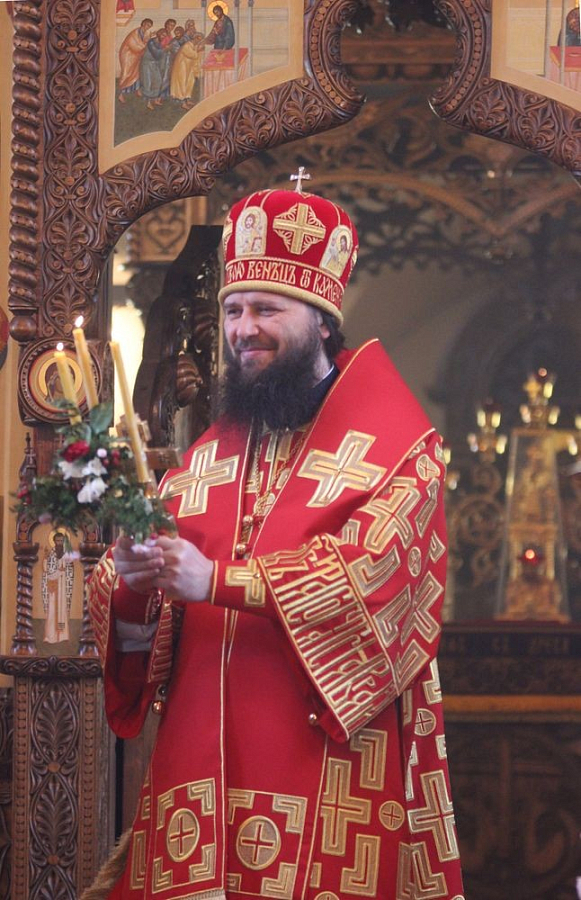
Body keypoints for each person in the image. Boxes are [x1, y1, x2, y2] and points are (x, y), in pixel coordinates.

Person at [88, 179, 464, 899]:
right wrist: (134, 580)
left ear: (323, 321)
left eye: (267, 309)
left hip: (326, 772)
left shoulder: (397, 450)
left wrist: (216, 581)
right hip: (196, 781)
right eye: (234, 310)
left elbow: (369, 581)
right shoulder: (210, 457)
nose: (243, 329)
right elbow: (143, 610)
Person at [117, 18, 153, 103]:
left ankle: (137, 90)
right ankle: (120, 94)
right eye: (147, 25)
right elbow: (135, 46)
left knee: (136, 73)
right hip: (128, 55)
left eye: (149, 26)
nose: (148, 27)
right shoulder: (134, 33)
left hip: (136, 56)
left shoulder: (143, 33)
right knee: (126, 73)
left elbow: (143, 42)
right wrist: (146, 44)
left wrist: (148, 38)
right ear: (143, 23)